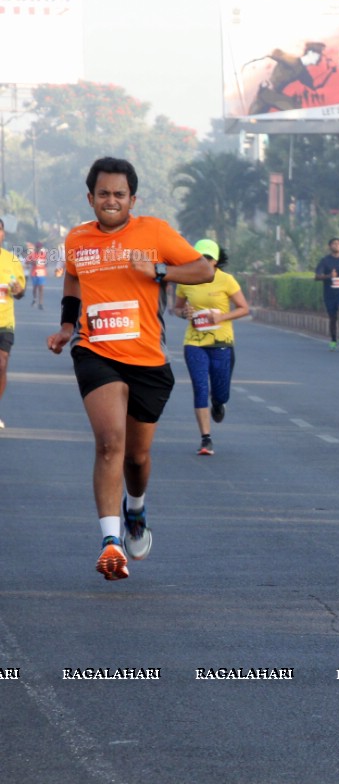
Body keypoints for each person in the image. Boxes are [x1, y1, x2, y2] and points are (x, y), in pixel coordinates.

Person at [47, 157, 213, 581]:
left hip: (148, 361)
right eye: (103, 193)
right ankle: (110, 541)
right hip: (96, 352)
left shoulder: (154, 232)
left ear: (132, 199)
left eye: (119, 194)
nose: (111, 200)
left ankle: (135, 509)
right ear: (90, 198)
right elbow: (72, 280)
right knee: (109, 443)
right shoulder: (77, 240)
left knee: (136, 459)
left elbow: (203, 268)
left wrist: (160, 270)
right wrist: (68, 325)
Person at [173, 239, 250, 456]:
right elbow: (176, 308)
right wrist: (183, 313)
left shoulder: (227, 280)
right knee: (200, 387)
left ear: (215, 261)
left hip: (222, 343)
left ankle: (218, 404)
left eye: (207, 258)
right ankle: (206, 439)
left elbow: (244, 308)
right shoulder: (185, 279)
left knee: (220, 392)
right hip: (194, 343)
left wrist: (222, 316)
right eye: (199, 257)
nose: (203, 261)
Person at [0, 218, 27, 429]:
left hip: (5, 323)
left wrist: (18, 290)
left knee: (1, 365)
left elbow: (20, 293)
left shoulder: (11, 261)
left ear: (3, 234)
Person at [314, 237, 339, 350]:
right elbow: (317, 277)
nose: (336, 245)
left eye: (338, 244)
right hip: (330, 294)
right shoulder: (325, 261)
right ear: (330, 246)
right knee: (332, 317)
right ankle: (333, 340)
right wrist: (328, 276)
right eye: (334, 244)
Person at [26, 241, 48, 310]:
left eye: (40, 247)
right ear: (36, 247)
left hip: (42, 273)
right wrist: (33, 262)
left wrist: (43, 263)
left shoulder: (43, 254)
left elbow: (46, 263)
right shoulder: (32, 254)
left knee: (41, 288)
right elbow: (26, 262)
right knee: (35, 288)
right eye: (37, 247)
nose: (38, 248)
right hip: (34, 273)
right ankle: (34, 299)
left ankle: (40, 303)